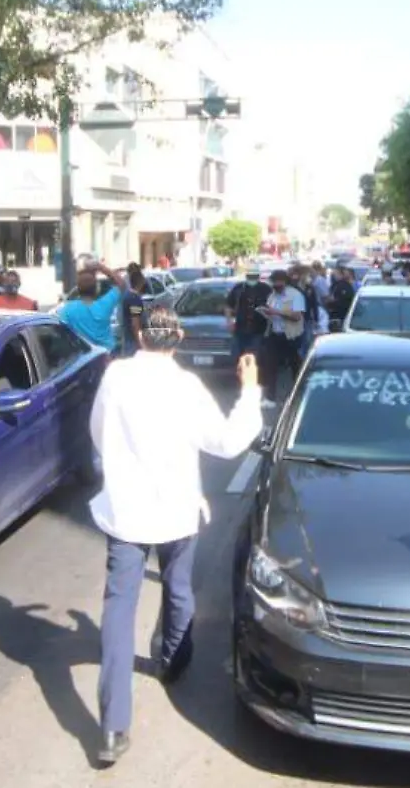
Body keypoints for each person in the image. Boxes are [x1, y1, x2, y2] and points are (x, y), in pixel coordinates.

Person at [89, 307, 264, 767]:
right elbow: (227, 443)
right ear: (179, 337)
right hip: (176, 511)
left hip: (126, 511)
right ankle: (172, 659)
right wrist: (248, 393)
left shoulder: (116, 377)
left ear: (137, 333)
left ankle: (112, 727)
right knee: (178, 589)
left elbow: (96, 432)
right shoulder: (187, 387)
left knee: (118, 609)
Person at [57, 260, 126, 352]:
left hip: (84, 358)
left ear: (78, 289)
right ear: (96, 289)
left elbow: (61, 333)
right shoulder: (105, 304)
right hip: (107, 356)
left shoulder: (67, 310)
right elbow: (122, 284)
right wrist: (101, 267)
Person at [261, 269, 307, 403]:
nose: (275, 284)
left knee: (295, 367)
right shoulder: (272, 296)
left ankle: (298, 396)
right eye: (273, 282)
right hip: (275, 334)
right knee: (271, 366)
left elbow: (297, 316)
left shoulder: (295, 295)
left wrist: (278, 312)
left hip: (291, 336)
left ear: (284, 282)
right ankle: (270, 397)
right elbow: (271, 312)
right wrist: (266, 313)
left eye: (277, 282)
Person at [225, 269, 271, 362]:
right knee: (238, 357)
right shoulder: (239, 288)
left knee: (254, 357)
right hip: (240, 328)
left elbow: (273, 306)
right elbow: (228, 306)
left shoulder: (265, 289)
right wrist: (229, 322)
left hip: (259, 329)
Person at [120, 264, 148, 356]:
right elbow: (135, 322)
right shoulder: (135, 299)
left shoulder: (128, 295)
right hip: (134, 344)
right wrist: (141, 343)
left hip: (128, 340)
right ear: (140, 282)